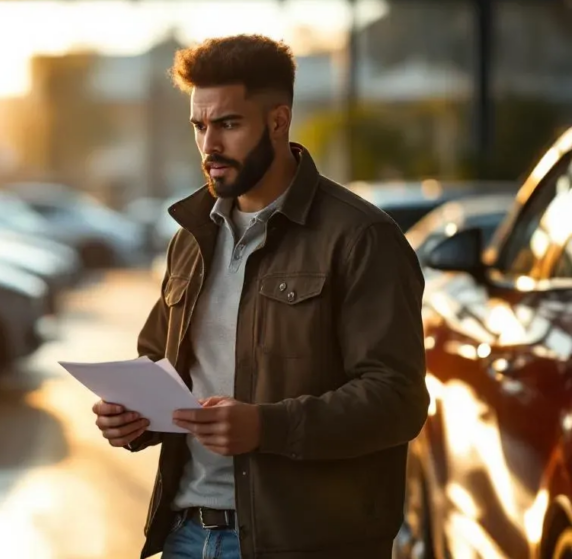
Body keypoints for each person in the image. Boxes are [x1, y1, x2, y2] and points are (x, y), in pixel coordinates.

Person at [91, 34, 428, 559]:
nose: (209, 146)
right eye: (199, 127)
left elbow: (397, 401)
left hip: (307, 543)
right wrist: (131, 418)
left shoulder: (360, 237)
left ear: (277, 120)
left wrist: (266, 427)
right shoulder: (191, 237)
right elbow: (160, 363)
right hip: (185, 534)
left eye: (228, 124)